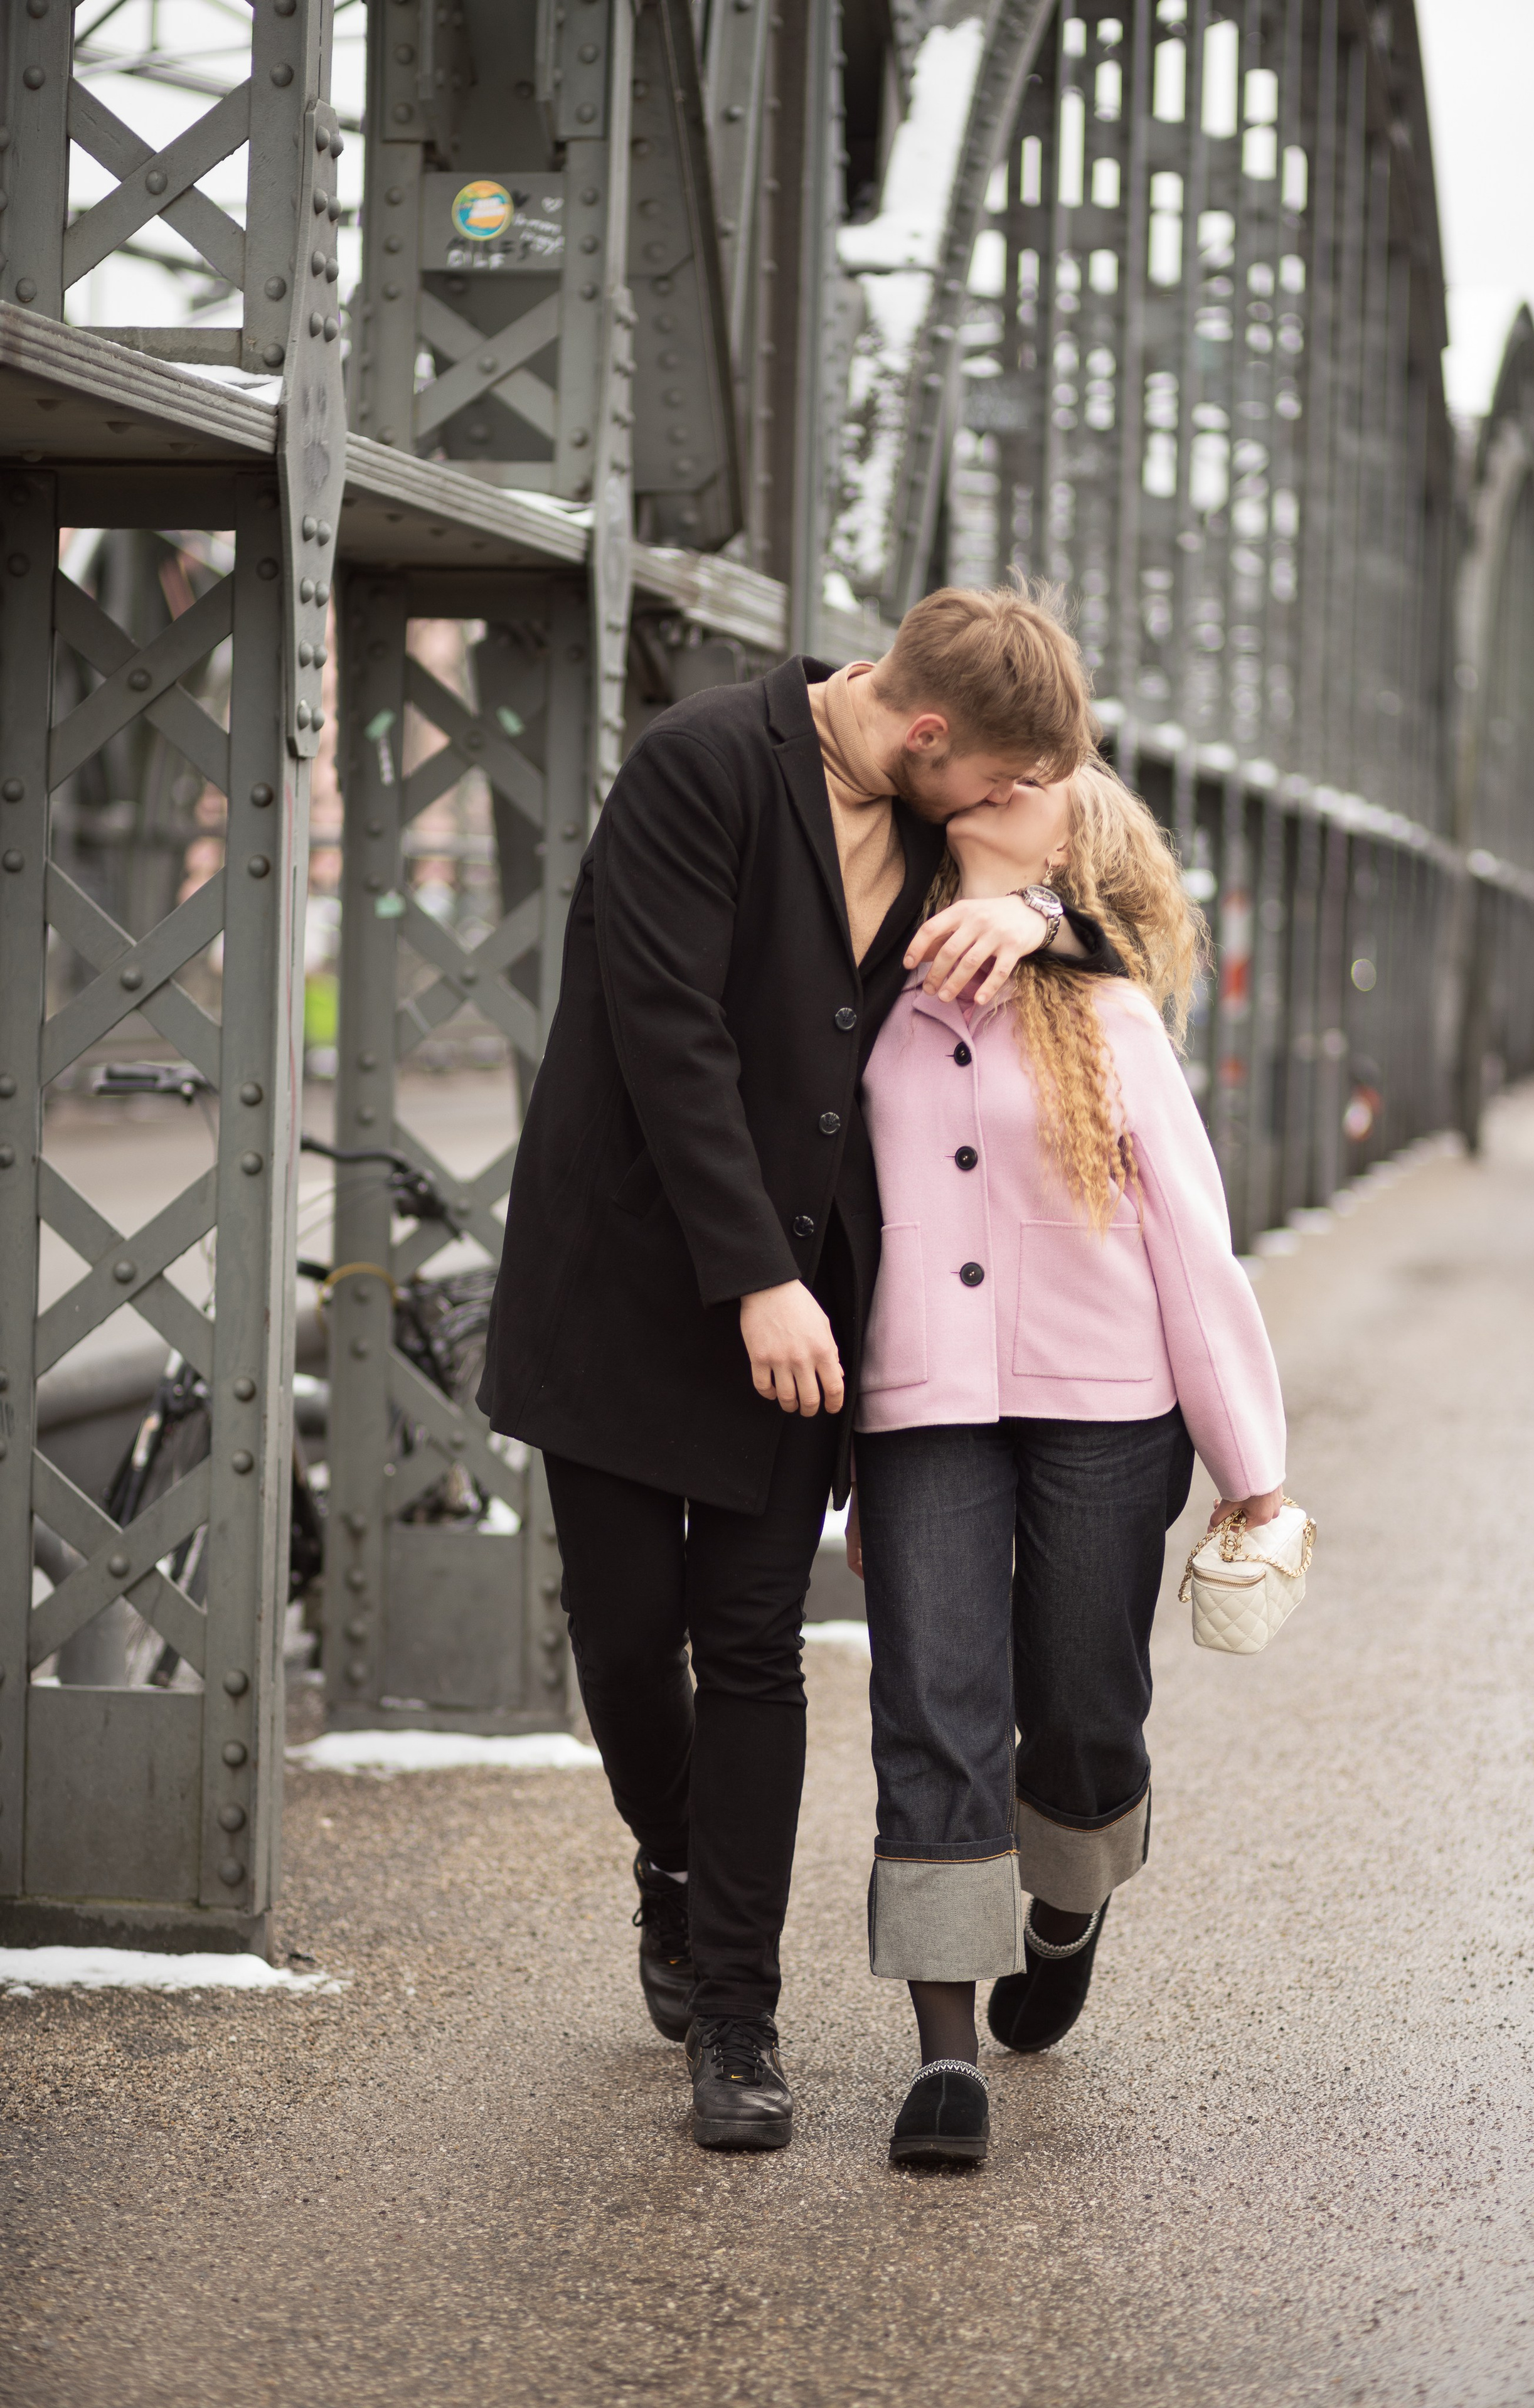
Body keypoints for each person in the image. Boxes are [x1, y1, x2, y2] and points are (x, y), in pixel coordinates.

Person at [478, 584, 1097, 2152]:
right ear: (927, 730)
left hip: (812, 1308)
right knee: (626, 1633)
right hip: (630, 1283)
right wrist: (752, 1276)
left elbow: (1124, 899)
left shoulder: (949, 824)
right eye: (995, 780)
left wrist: (1040, 914)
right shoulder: (698, 763)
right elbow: (666, 1031)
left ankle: (737, 2017)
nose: (1004, 807)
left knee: (751, 1642)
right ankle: (675, 1861)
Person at [846, 752, 1289, 2169]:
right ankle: (943, 2053)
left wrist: (1251, 1465)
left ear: (1072, 837)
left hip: (1106, 1401)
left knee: (1086, 1707)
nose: (995, 779)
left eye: (1033, 774)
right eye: (979, 766)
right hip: (925, 1395)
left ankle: (1067, 1897)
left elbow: (1190, 1243)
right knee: (934, 1699)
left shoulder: (1108, 1010)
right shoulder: (872, 983)